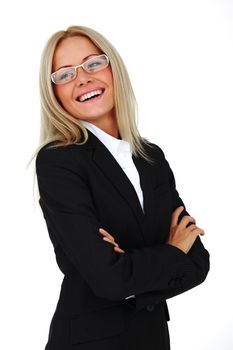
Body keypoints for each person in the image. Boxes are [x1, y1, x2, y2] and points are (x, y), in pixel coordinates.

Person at [35, 25, 210, 350]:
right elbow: (109, 279)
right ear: (54, 93)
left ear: (113, 68)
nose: (83, 78)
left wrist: (129, 271)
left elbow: (198, 262)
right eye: (65, 74)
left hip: (153, 338)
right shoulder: (58, 162)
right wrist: (172, 250)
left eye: (92, 63)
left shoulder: (151, 157)